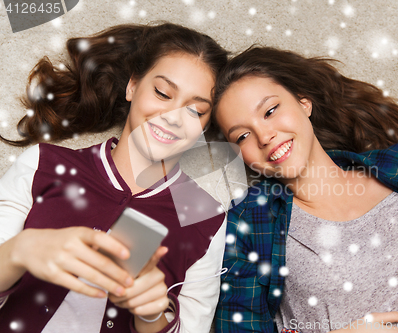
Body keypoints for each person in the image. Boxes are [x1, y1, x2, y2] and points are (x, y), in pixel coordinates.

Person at [211, 46, 398, 333]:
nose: (264, 136)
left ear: (304, 104)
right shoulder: (247, 222)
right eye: (243, 135)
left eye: (271, 111)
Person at [0, 22, 228, 333]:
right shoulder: (43, 164)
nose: (174, 117)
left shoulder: (205, 214)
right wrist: (18, 251)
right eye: (162, 93)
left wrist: (152, 315)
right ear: (132, 86)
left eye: (196, 110)